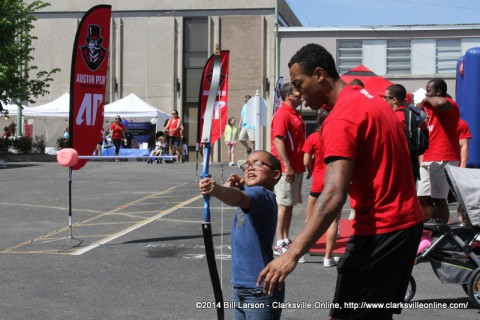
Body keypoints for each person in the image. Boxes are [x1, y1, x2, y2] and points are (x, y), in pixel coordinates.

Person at [258, 43, 424, 319]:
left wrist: (292, 253)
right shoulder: (373, 101)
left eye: (299, 84)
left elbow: (334, 194)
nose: (297, 93)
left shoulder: (342, 117)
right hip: (407, 226)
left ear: (320, 74)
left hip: (380, 230)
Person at [198, 150, 284, 320]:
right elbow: (241, 195)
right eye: (247, 165)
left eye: (258, 164)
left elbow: (239, 198)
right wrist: (242, 184)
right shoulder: (254, 192)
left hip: (259, 290)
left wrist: (216, 189)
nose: (250, 167)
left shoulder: (262, 195)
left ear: (275, 175)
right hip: (242, 287)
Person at [417, 79, 460, 223]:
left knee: (438, 198)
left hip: (443, 155)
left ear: (439, 92)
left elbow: (441, 103)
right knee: (422, 197)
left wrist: (426, 99)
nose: (426, 94)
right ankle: (428, 228)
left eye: (429, 91)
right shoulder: (427, 106)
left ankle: (442, 231)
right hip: (428, 156)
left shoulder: (449, 103)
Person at [271, 82, 305, 256]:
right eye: (298, 94)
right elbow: (278, 140)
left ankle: (284, 238)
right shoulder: (283, 114)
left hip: (296, 167)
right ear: (288, 95)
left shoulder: (294, 113)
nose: (302, 96)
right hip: (287, 168)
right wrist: (288, 165)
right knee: (283, 204)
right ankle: (278, 241)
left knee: (289, 204)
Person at [302, 108, 339, 267]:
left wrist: (311, 170)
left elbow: (305, 160)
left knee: (309, 219)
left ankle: (302, 254)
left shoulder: (313, 137)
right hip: (333, 182)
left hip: (318, 181)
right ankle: (327, 257)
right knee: (333, 221)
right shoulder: (337, 136)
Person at [385, 83, 421, 181]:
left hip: (400, 162)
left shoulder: (396, 117)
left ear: (394, 100)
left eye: (386, 97)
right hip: (411, 160)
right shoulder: (408, 113)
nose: (385, 100)